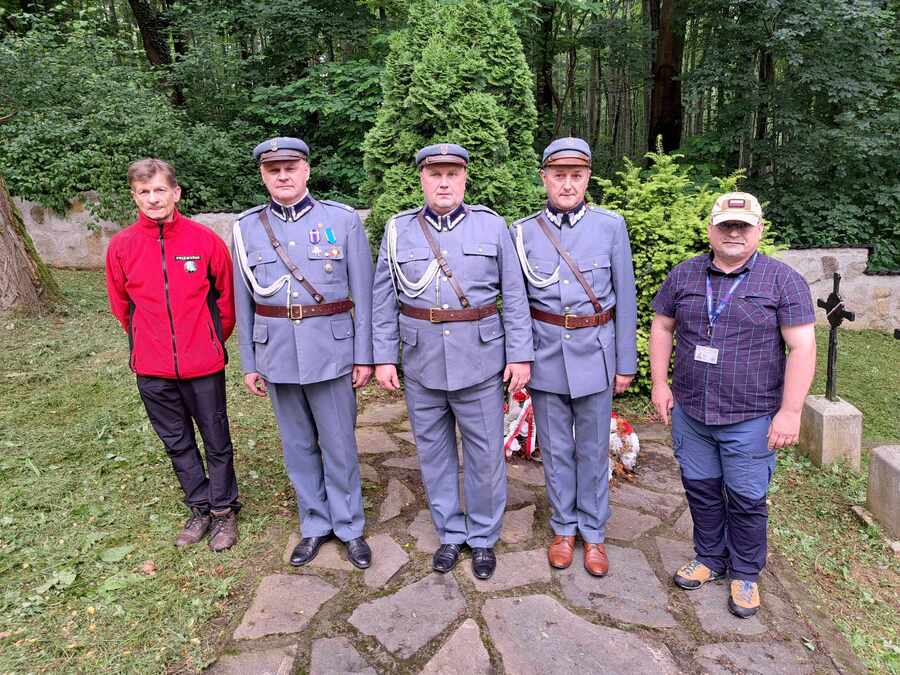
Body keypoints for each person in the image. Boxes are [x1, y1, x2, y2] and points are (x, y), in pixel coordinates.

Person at [649, 191, 816, 618]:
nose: (734, 233)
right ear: (711, 230)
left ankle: (744, 573)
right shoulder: (685, 274)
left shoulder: (783, 281)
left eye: (743, 226)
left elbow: (802, 347)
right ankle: (709, 557)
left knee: (746, 499)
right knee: (701, 491)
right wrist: (659, 384)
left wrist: (791, 412)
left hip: (750, 416)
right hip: (692, 412)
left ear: (759, 230)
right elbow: (662, 327)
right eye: (726, 225)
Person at [371, 143, 533, 580]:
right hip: (421, 359)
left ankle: (482, 536)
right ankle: (450, 531)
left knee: (484, 455)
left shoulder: (491, 226)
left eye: (452, 174)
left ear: (465, 178)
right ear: (422, 178)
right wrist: (383, 357)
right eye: (435, 174)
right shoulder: (398, 229)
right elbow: (383, 298)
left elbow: (514, 294)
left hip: (479, 358)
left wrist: (520, 354)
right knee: (433, 451)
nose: (444, 183)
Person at [232, 137, 375, 569]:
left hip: (331, 350)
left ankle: (349, 526)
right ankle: (314, 523)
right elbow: (242, 301)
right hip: (276, 352)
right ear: (263, 175)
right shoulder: (246, 228)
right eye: (273, 169)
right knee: (297, 445)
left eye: (290, 167)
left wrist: (364, 356)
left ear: (306, 170)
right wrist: (249, 361)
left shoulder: (342, 220)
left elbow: (364, 295)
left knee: (339, 444)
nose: (282, 176)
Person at [511, 137, 638, 577]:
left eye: (576, 176)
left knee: (593, 448)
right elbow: (516, 303)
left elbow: (625, 297)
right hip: (545, 353)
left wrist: (625, 363)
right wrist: (520, 357)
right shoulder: (523, 232)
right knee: (556, 449)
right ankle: (564, 529)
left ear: (587, 178)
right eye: (559, 175)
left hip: (596, 353)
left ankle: (594, 533)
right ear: (544, 177)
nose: (567, 184)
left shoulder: (610, 227)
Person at [105, 158, 240, 551]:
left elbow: (226, 301)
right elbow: (122, 307)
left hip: (203, 364)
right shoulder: (122, 247)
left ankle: (223, 510)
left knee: (216, 438)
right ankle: (200, 507)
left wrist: (208, 341)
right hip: (153, 367)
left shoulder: (205, 241)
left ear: (176, 193)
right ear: (134, 196)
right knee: (177, 441)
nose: (153, 199)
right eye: (144, 192)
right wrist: (148, 342)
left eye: (160, 190)